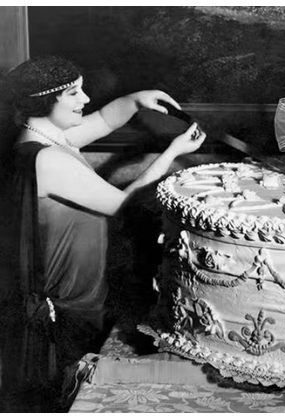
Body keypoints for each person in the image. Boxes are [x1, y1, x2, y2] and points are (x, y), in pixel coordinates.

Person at [0, 55, 205, 410]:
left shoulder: (48, 137)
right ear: (45, 100)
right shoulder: (48, 159)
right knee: (69, 380)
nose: (85, 99)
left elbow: (104, 118)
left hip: (80, 282)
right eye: (74, 94)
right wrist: (174, 151)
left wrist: (137, 99)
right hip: (68, 293)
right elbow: (123, 201)